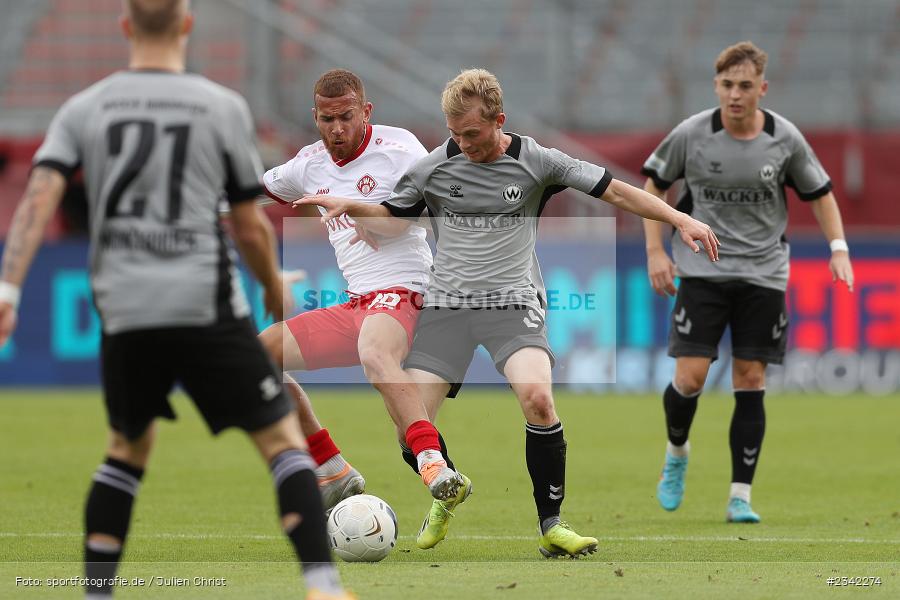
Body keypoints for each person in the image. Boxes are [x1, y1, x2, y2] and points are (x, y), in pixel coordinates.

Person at [0, 2, 350, 599]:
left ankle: (96, 592)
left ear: (125, 26)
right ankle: (321, 586)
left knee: (126, 448)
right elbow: (248, 223)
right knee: (279, 441)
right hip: (202, 303)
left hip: (125, 307)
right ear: (186, 26)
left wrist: (8, 287)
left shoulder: (85, 107)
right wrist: (269, 282)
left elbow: (38, 197)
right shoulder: (219, 106)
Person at [296, 68, 720, 557]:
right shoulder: (436, 165)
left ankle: (552, 525)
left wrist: (680, 219)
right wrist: (352, 206)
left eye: (473, 134)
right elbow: (396, 214)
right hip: (447, 309)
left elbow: (616, 191)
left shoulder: (538, 161)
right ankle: (446, 492)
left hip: (513, 305)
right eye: (454, 134)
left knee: (538, 398)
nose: (463, 144)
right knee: (408, 426)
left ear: (500, 120)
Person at [640, 41, 854, 524]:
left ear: (762, 88)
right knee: (690, 378)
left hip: (764, 273)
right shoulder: (692, 134)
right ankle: (677, 452)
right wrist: (655, 250)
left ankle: (740, 495)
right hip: (703, 271)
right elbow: (653, 186)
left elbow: (820, 194)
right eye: (726, 85)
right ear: (716, 86)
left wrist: (839, 249)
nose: (735, 95)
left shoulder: (784, 138)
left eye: (744, 86)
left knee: (751, 379)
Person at [259, 69, 469, 528]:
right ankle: (331, 467)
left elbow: (433, 207)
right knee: (257, 358)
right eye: (327, 119)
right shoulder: (307, 164)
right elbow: (243, 197)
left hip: (409, 292)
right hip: (359, 303)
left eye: (347, 117)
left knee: (374, 351)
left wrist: (376, 218)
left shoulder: (400, 149)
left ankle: (433, 465)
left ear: (366, 111)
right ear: (315, 117)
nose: (337, 129)